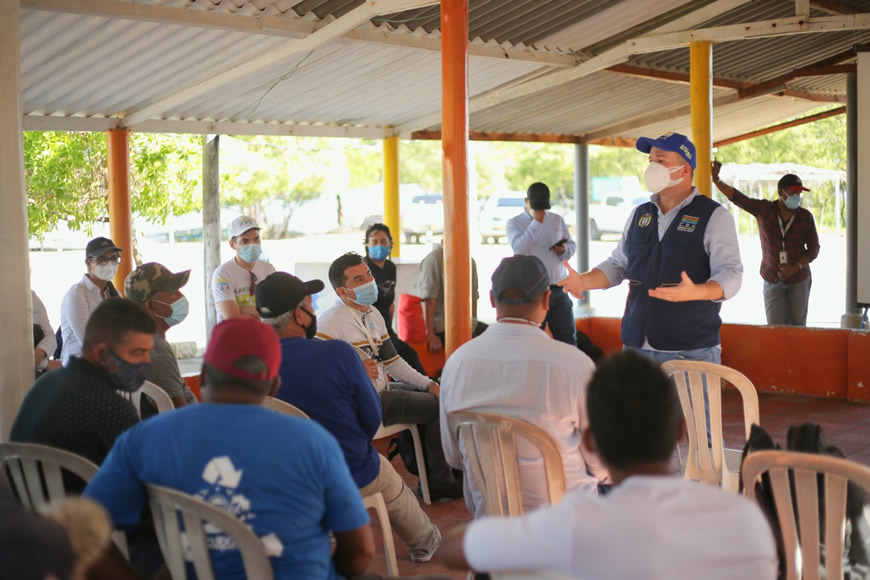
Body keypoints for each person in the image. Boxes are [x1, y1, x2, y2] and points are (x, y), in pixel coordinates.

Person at [437, 351, 778, 579]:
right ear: (680, 430)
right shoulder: (745, 521)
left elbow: (451, 549)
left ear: (589, 442)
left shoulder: (572, 526)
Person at [83, 316, 376, 580]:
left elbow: (78, 533)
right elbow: (360, 553)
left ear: (205, 375)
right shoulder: (314, 441)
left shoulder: (143, 438)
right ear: (273, 386)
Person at [256, 272, 443, 563]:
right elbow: (372, 417)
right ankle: (426, 543)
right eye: (309, 304)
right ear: (298, 314)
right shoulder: (338, 354)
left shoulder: (250, 365)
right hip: (345, 473)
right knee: (384, 474)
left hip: (280, 479)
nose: (314, 310)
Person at [439, 255, 606, 518]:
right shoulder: (573, 364)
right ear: (546, 301)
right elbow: (600, 463)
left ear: (492, 300)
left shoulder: (457, 362)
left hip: (495, 524)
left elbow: (453, 457)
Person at [560, 132, 743, 366]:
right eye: (651, 162)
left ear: (685, 170)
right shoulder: (640, 214)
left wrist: (699, 291)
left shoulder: (714, 216)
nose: (652, 167)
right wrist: (583, 282)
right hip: (636, 347)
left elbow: (731, 273)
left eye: (661, 161)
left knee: (687, 406)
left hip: (690, 349)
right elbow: (619, 264)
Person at [317, 252, 463, 499]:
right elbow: (317, 373)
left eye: (368, 275)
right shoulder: (330, 323)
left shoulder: (372, 314)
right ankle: (439, 480)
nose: (367, 282)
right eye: (358, 280)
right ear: (342, 292)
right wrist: (351, 370)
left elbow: (393, 363)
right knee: (435, 406)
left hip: (380, 392)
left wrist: (429, 384)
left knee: (433, 394)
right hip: (359, 403)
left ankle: (430, 472)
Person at [11, 298, 153, 476]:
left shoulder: (45, 384)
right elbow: (143, 480)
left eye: (149, 352)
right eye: (138, 352)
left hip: (27, 500)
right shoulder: (110, 406)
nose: (147, 361)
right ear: (102, 352)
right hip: (83, 502)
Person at [712, 162, 820, 326]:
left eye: (799, 193)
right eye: (793, 193)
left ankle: (795, 353)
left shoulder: (805, 217)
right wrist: (717, 181)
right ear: (780, 193)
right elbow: (740, 198)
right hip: (772, 278)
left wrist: (796, 267)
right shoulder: (764, 209)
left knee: (798, 328)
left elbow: (813, 249)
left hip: (799, 279)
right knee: (774, 328)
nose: (797, 197)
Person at [506, 182, 577, 346]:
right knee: (533, 341)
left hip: (559, 289)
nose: (541, 212)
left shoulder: (557, 220)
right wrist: (536, 223)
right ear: (526, 201)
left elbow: (572, 247)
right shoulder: (514, 223)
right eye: (537, 208)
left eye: (544, 208)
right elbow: (519, 249)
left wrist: (564, 250)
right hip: (532, 291)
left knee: (568, 339)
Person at [125, 262, 198, 407]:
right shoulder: (155, 350)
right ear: (151, 305)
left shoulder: (134, 337)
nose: (181, 296)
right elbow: (179, 415)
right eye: (172, 293)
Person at [363, 223, 426, 374]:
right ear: (367, 244)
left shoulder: (390, 268)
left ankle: (425, 389)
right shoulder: (363, 268)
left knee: (407, 354)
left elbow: (390, 304)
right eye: (375, 241)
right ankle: (428, 389)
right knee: (408, 354)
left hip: (386, 330)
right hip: (369, 332)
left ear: (391, 244)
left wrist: (389, 330)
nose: (379, 245)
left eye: (384, 241)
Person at [60, 237, 123, 364]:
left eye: (113, 258)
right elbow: (88, 342)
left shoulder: (116, 295)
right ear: (88, 263)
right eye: (102, 259)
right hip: (78, 369)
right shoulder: (77, 293)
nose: (109, 264)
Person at [414, 243, 486, 353]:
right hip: (440, 323)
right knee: (473, 345)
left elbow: (474, 297)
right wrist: (430, 334)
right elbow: (429, 299)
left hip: (463, 322)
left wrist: (473, 323)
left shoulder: (469, 261)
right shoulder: (434, 259)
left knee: (491, 337)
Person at [211, 215, 276, 322]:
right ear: (232, 244)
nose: (252, 245)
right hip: (233, 336)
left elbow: (276, 311)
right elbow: (233, 319)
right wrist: (262, 314)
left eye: (256, 239)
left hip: (262, 336)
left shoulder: (269, 269)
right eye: (245, 241)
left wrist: (242, 309)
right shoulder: (222, 274)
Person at [32, 288, 60, 374]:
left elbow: (50, 336)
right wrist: (45, 364)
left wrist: (41, 351)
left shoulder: (32, 297)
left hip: (37, 373)